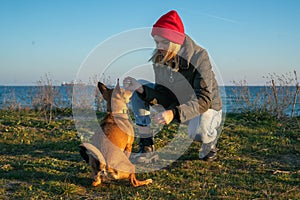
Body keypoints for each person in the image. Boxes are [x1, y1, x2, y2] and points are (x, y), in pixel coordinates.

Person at [124, 10, 223, 163]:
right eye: (157, 42)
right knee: (140, 88)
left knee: (198, 133)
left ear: (176, 41)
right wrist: (141, 89)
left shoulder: (199, 56)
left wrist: (173, 112)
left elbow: (204, 100)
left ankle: (209, 143)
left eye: (164, 42)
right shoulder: (159, 57)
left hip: (204, 107)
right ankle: (147, 146)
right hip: (177, 105)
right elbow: (163, 94)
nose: (160, 47)